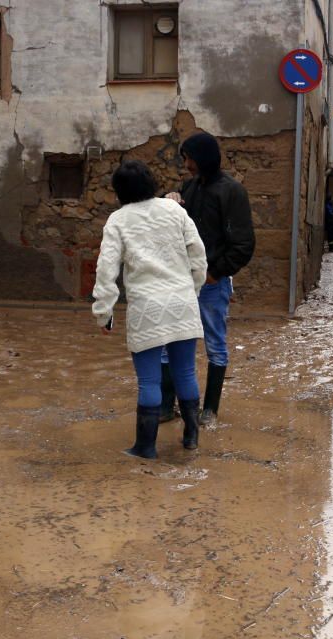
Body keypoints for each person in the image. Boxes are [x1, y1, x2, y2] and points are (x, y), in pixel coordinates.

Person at [92, 160, 208, 459]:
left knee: (149, 380)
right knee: (185, 372)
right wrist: (191, 291)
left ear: (119, 191)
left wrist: (104, 313)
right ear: (151, 182)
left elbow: (106, 270)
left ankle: (145, 447)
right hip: (182, 303)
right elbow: (198, 256)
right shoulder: (174, 211)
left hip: (146, 308)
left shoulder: (118, 220)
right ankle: (191, 437)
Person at [159, 132, 256, 426]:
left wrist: (215, 274)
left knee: (214, 343)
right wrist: (169, 201)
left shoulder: (232, 191)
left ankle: (210, 410)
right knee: (168, 343)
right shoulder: (189, 187)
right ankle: (166, 407)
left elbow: (243, 245)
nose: (186, 164)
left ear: (201, 159)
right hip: (181, 281)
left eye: (188, 158)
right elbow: (170, 226)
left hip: (212, 284)